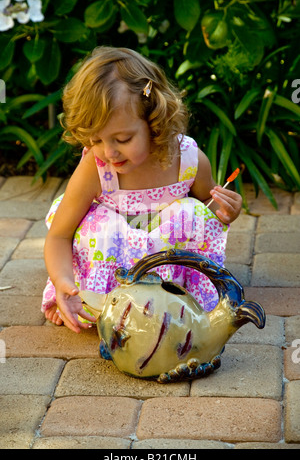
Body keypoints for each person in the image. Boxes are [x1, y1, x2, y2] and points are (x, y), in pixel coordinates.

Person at [42, 46, 242, 333]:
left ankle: (178, 299)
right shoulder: (96, 168)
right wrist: (63, 282)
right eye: (96, 139)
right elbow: (59, 235)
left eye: (122, 138)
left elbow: (208, 211)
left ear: (153, 120)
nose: (108, 151)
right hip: (113, 262)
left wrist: (226, 212)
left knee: (190, 212)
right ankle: (102, 301)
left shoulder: (187, 160)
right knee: (102, 226)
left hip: (164, 261)